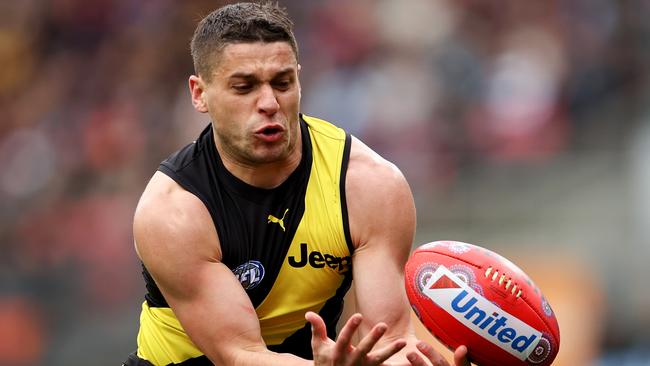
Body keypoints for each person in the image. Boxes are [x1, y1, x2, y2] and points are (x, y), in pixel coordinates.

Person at [123, 2, 470, 365]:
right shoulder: (173, 210)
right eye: (244, 87)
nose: (270, 103)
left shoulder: (368, 184)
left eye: (283, 83)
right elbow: (239, 354)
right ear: (200, 94)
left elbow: (389, 340)